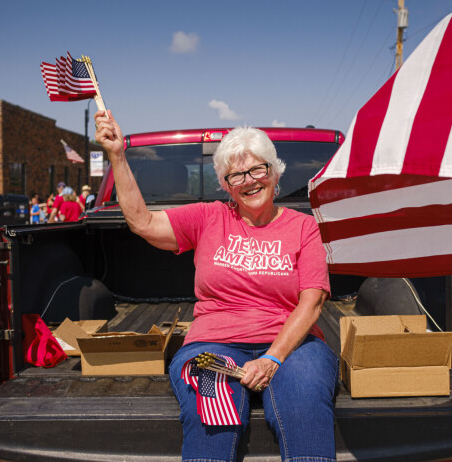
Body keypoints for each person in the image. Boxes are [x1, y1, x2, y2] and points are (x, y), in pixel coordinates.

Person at [95, 111, 338, 462]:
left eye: (258, 169)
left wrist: (272, 358)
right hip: (211, 345)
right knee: (213, 409)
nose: (249, 180)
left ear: (274, 172)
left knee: (304, 406)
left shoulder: (303, 227)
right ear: (226, 185)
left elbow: (312, 302)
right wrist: (117, 154)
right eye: (236, 175)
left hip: (293, 346)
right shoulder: (209, 217)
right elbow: (142, 221)